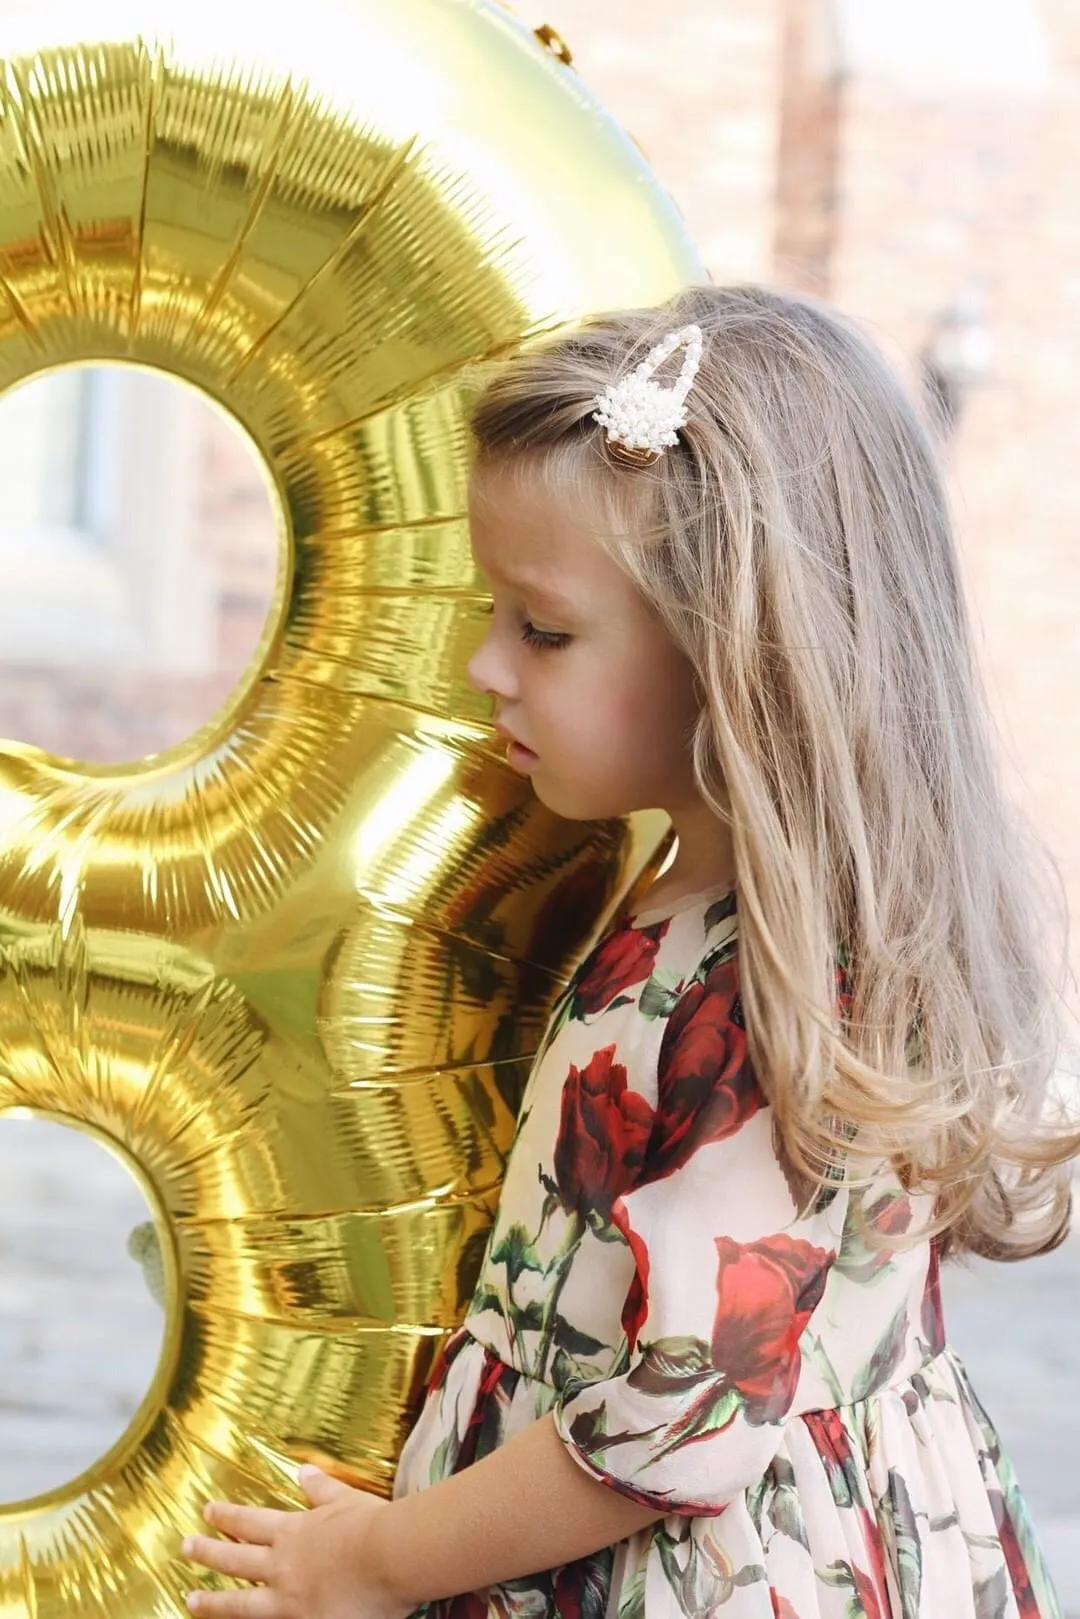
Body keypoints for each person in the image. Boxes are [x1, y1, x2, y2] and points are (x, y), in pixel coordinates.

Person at [182, 284, 1078, 1619]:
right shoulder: (762, 904)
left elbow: (691, 1406)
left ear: (740, 655)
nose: (487, 666)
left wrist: (373, 1562)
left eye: (540, 629)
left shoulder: (748, 993)